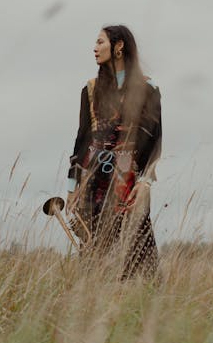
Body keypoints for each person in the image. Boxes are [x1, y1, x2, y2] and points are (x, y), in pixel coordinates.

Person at [67, 25, 161, 278]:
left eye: (100, 42)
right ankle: (95, 308)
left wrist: (145, 180)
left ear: (119, 46)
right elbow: (82, 140)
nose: (94, 48)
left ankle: (141, 307)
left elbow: (153, 139)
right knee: (93, 254)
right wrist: (72, 186)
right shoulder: (90, 89)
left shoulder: (147, 88)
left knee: (138, 252)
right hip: (92, 181)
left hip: (129, 180)